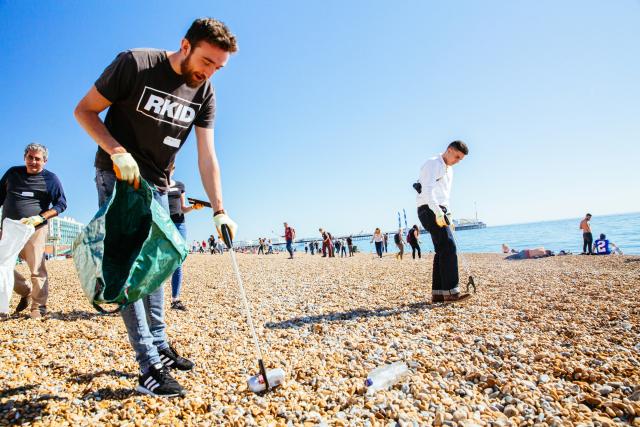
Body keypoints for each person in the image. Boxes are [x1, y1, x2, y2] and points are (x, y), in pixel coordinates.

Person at [74, 17, 239, 397]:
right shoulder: (136, 63)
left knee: (157, 265)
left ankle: (161, 344)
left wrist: (219, 208)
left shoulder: (205, 92)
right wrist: (116, 151)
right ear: (185, 45)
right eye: (206, 61)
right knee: (129, 269)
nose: (210, 72)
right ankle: (147, 365)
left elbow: (207, 154)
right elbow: (84, 111)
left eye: (219, 67)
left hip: (159, 182)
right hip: (120, 175)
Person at [0, 143, 67, 319]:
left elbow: (61, 204)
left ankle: (39, 307)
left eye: (38, 159)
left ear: (45, 161)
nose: (33, 161)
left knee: (37, 269)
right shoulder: (13, 173)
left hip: (34, 228)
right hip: (9, 228)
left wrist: (42, 217)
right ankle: (25, 290)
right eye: (30, 157)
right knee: (2, 265)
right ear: (25, 158)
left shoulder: (51, 179)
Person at [416, 140, 471, 303]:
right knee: (449, 247)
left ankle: (439, 294)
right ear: (449, 150)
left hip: (441, 210)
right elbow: (427, 191)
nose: (458, 161)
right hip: (429, 208)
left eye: (460, 159)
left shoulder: (450, 170)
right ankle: (451, 293)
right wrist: (438, 213)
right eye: (457, 157)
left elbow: (444, 195)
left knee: (442, 249)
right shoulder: (432, 164)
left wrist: (449, 215)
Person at [167, 165, 203, 311]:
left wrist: (194, 207)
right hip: (162, 224)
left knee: (178, 261)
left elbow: (183, 207)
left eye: (172, 167)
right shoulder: (156, 184)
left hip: (179, 224)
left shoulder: (180, 185)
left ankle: (175, 300)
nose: (170, 169)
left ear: (174, 168)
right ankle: (148, 300)